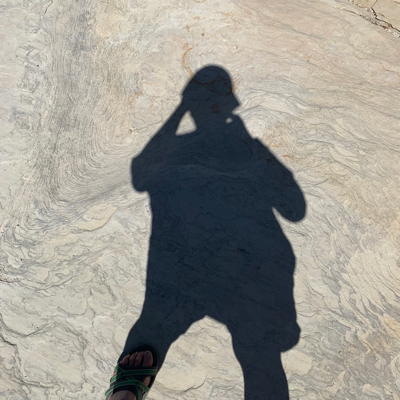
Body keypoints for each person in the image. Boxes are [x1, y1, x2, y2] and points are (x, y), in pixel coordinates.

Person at [106, 66, 306, 399]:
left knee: (155, 325)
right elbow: (295, 209)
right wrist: (256, 153)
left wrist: (181, 111)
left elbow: (142, 174)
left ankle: (124, 395)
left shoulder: (188, 142)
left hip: (183, 262)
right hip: (251, 266)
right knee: (260, 354)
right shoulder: (242, 142)